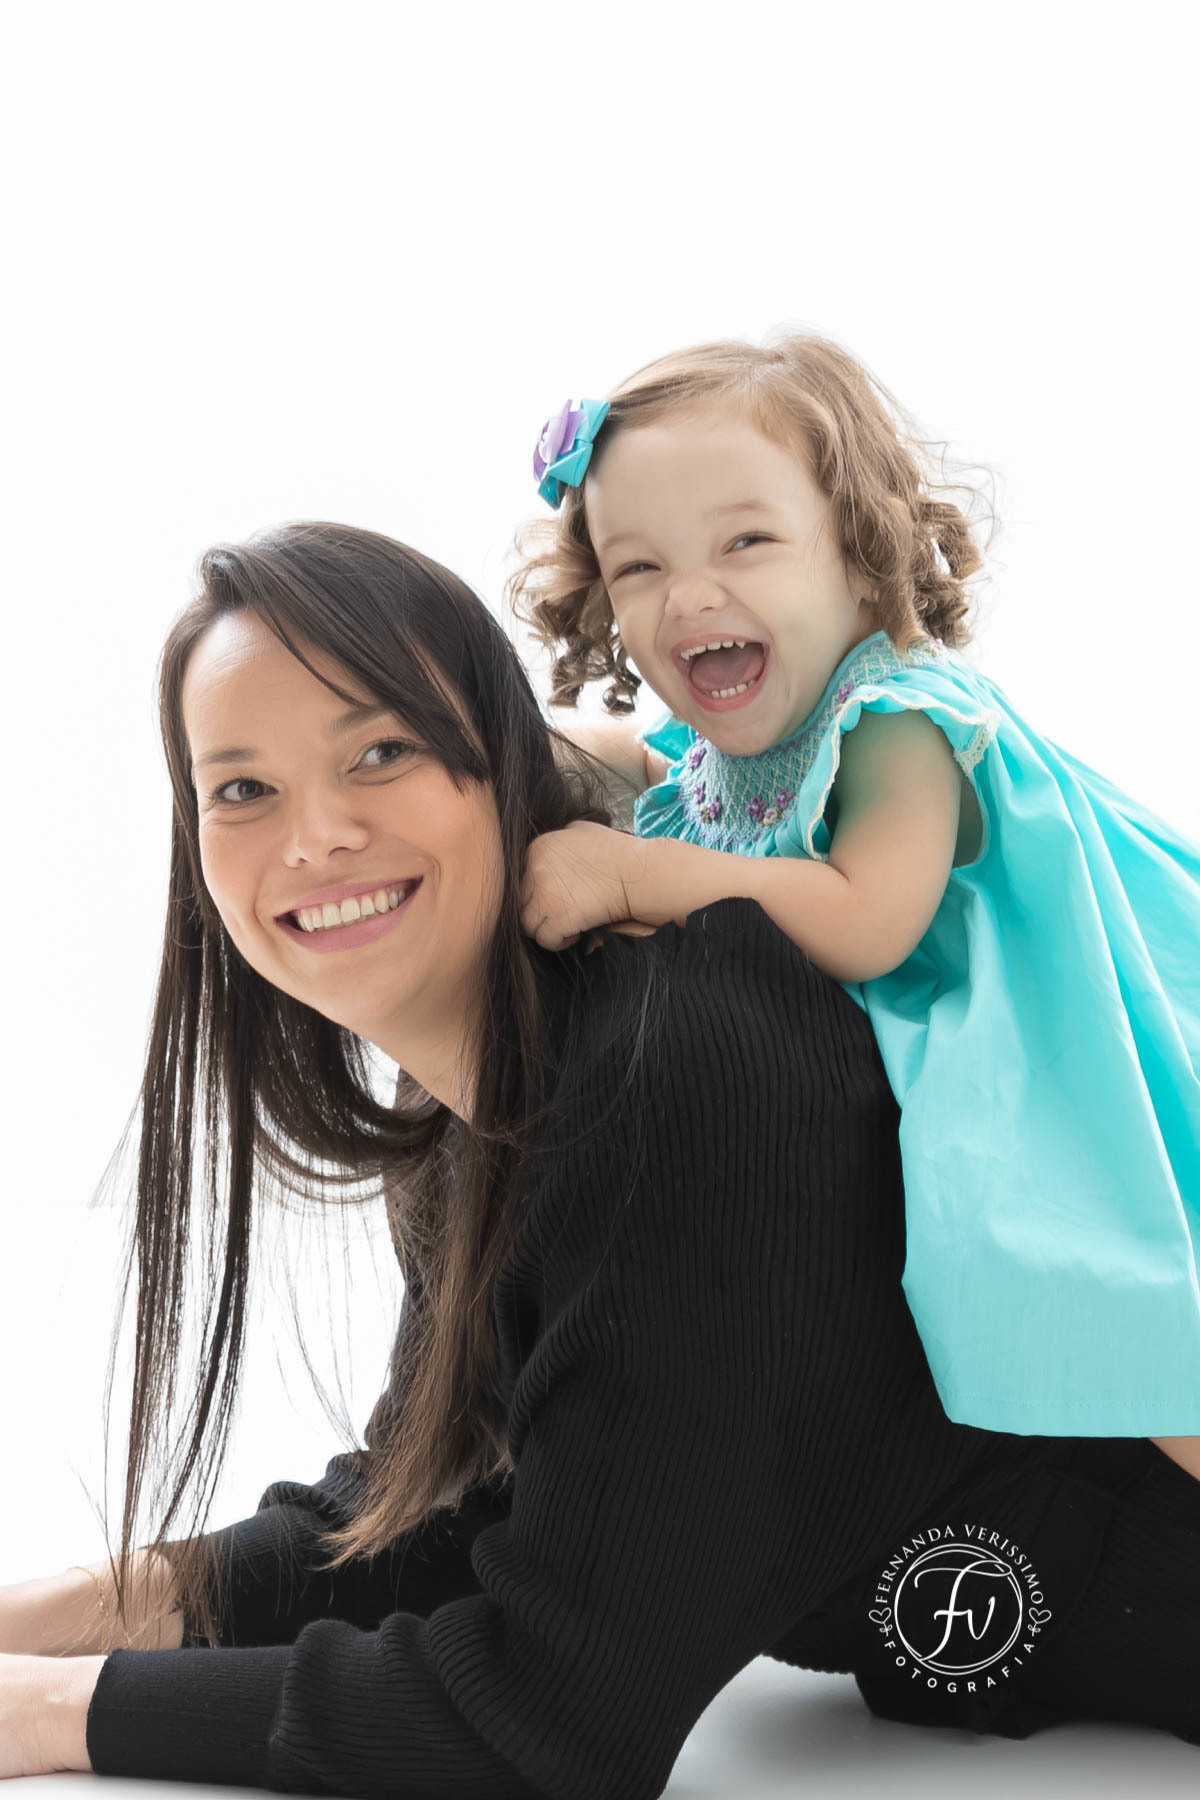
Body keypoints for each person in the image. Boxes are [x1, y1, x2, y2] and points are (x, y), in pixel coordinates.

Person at [2, 521, 1199, 1793]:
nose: (313, 838)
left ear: (505, 763)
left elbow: (554, 1715)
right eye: (242, 790)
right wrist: (53, 1613)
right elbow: (450, 1508)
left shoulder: (680, 1067)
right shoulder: (495, 1080)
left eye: (382, 751)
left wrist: (45, 1716)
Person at [507, 331, 1200, 1472]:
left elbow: (867, 917)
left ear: (862, 556)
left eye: (746, 541)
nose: (690, 594)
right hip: (961, 1055)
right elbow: (667, 773)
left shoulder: (896, 720)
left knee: (1126, 1299)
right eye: (638, 568)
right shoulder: (737, 738)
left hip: (1067, 1043)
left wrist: (636, 874)